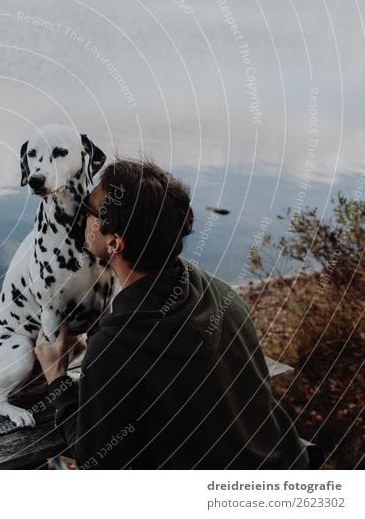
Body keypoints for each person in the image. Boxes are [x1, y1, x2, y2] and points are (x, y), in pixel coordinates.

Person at [34, 158, 309, 469]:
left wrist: (57, 378)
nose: (80, 214)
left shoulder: (115, 349)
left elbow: (96, 460)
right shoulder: (220, 293)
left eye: (88, 208)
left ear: (114, 241)